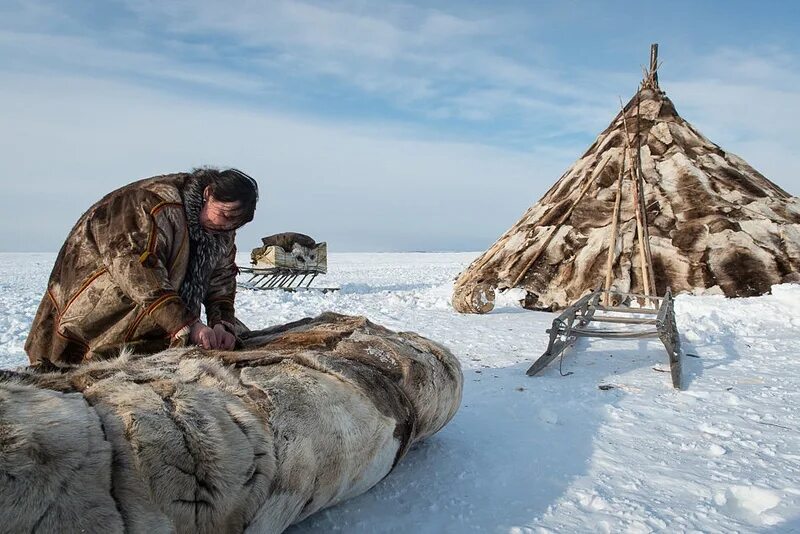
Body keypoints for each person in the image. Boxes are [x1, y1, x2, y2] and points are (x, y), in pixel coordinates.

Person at [24, 167, 259, 367]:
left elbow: (221, 277)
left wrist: (222, 323)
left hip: (150, 330)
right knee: (72, 378)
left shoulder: (221, 229)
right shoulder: (151, 203)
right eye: (225, 215)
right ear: (208, 194)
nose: (228, 227)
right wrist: (186, 323)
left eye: (236, 224)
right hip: (97, 315)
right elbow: (137, 271)